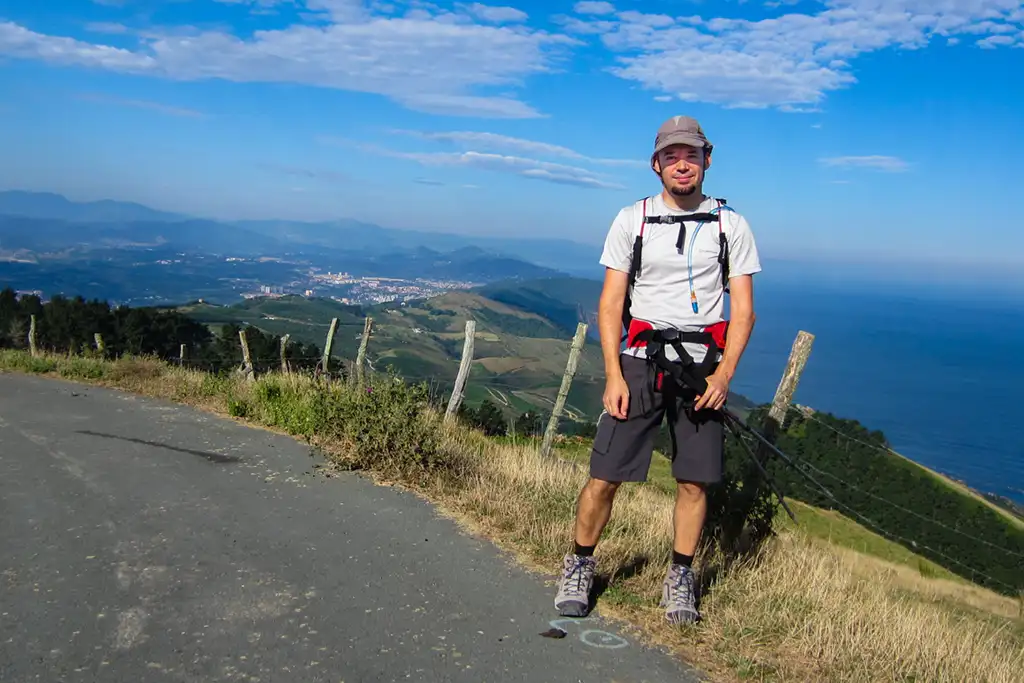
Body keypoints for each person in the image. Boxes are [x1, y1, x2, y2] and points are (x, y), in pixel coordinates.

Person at [553, 115, 762, 625]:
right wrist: (613, 374)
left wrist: (724, 375)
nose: (682, 163)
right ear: (656, 164)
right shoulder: (633, 219)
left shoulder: (731, 224)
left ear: (707, 160)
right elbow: (610, 303)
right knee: (604, 474)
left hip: (700, 371)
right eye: (672, 155)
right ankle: (579, 563)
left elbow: (744, 309)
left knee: (693, 481)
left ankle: (681, 577)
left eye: (691, 154)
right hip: (641, 361)